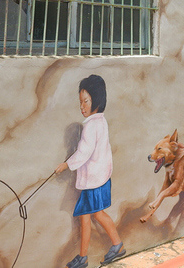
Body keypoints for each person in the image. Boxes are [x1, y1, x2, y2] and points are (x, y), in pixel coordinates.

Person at [55, 75, 125, 268]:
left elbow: (83, 152)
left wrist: (66, 165)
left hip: (93, 182)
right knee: (89, 216)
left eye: (85, 101)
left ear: (97, 99)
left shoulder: (91, 127)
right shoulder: (101, 123)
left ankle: (112, 247)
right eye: (80, 102)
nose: (82, 106)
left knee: (95, 215)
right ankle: (86, 256)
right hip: (99, 179)